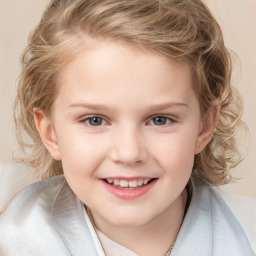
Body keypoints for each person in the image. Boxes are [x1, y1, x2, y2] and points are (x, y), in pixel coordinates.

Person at [0, 0, 254, 255]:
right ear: (50, 132)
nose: (129, 153)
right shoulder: (13, 239)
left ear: (204, 126)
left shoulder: (246, 237)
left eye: (160, 120)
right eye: (95, 120)